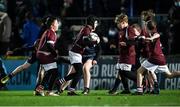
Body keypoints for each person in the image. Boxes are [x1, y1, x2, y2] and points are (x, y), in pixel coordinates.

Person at [56, 15, 100, 95]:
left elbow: (83, 41)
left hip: (76, 52)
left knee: (77, 72)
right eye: (96, 23)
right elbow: (85, 42)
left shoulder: (86, 29)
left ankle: (63, 85)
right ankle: (66, 87)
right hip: (76, 52)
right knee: (79, 72)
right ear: (93, 22)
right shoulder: (87, 30)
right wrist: (94, 42)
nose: (96, 25)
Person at [135, 20, 180, 95]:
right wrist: (141, 38)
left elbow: (156, 36)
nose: (144, 27)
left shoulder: (155, 34)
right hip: (161, 59)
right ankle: (154, 86)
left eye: (145, 25)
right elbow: (146, 39)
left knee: (139, 71)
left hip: (154, 58)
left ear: (147, 27)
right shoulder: (149, 34)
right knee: (169, 75)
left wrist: (149, 38)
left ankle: (139, 90)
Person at [108, 14, 137, 95]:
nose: (117, 25)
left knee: (125, 72)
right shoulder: (122, 30)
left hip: (128, 54)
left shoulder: (129, 29)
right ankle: (126, 89)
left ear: (123, 22)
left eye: (118, 23)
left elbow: (134, 41)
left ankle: (142, 82)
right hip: (122, 54)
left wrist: (126, 43)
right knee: (121, 72)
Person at [35, 16, 60, 96]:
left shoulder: (48, 31)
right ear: (52, 25)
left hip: (41, 54)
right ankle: (48, 91)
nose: (58, 24)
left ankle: (40, 89)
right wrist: (55, 54)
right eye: (56, 23)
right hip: (45, 55)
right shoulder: (51, 32)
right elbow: (49, 46)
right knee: (54, 72)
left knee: (51, 72)